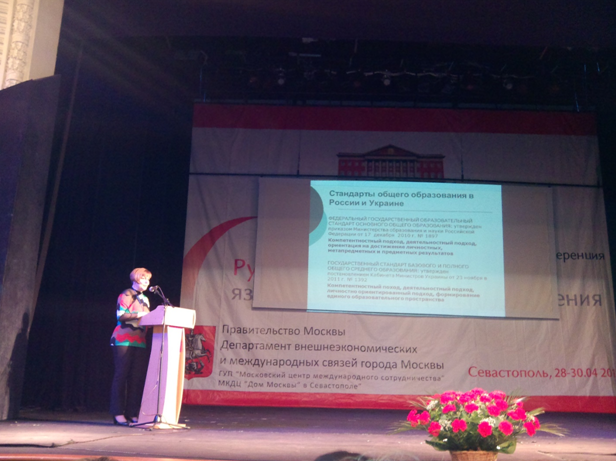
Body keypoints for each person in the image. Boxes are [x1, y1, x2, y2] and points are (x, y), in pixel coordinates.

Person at [109, 267, 152, 426]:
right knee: (121, 376)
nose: (147, 282)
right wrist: (141, 315)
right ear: (135, 279)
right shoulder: (126, 294)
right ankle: (117, 413)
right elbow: (121, 315)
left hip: (140, 341)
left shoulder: (145, 299)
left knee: (136, 378)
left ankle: (132, 413)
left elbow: (147, 319)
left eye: (148, 280)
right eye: (144, 279)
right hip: (123, 340)